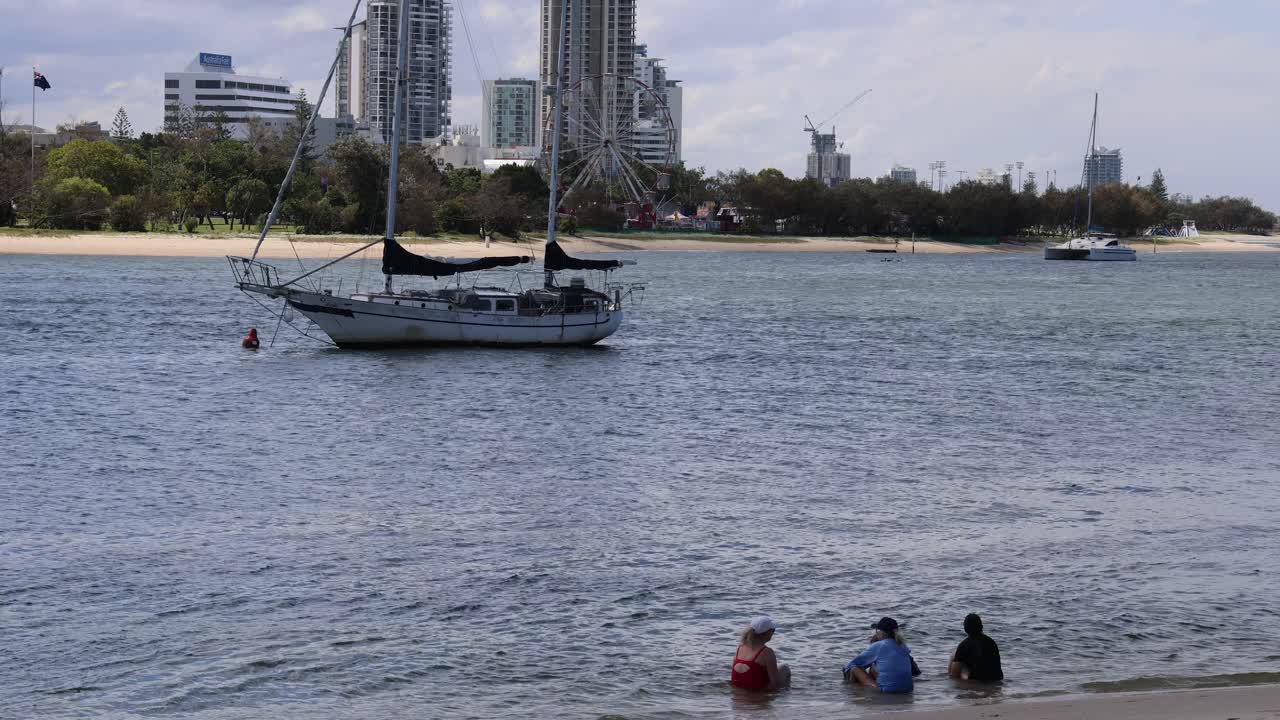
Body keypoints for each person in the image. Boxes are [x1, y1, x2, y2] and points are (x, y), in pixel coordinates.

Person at [843, 617, 915, 694]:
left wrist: (845, 673)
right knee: (874, 667)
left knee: (854, 668)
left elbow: (853, 664)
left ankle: (852, 694)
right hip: (908, 689)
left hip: (887, 691)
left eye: (877, 631)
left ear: (882, 632)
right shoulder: (903, 646)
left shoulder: (880, 645)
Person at [731, 615, 791, 691]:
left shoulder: (740, 648)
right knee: (784, 668)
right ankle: (787, 698)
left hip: (737, 697)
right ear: (766, 633)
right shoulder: (767, 652)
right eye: (773, 630)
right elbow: (775, 684)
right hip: (757, 696)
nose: (773, 633)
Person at [949, 613, 1003, 682]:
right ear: (981, 626)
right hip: (996, 679)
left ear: (965, 628)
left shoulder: (964, 645)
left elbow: (954, 675)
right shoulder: (991, 642)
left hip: (977, 681)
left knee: (954, 656)